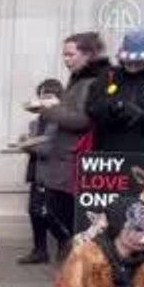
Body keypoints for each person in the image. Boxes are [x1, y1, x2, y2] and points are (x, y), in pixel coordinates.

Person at [25, 32, 112, 264]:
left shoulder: (90, 83)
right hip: (65, 158)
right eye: (64, 54)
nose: (66, 59)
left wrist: (47, 110)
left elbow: (82, 120)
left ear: (87, 54)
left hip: (74, 159)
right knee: (58, 210)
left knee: (68, 214)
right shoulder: (79, 80)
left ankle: (77, 261)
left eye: (70, 54)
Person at [84, 28, 144, 155]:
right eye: (128, 60)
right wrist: (114, 107)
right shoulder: (108, 77)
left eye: (138, 61)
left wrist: (142, 115)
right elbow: (92, 107)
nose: (132, 64)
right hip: (109, 156)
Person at [19, 78, 66, 264]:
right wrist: (26, 141)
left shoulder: (61, 121)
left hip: (53, 172)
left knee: (48, 212)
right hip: (36, 169)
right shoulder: (37, 121)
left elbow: (50, 148)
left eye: (48, 96)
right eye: (41, 96)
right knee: (34, 211)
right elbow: (36, 143)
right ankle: (39, 250)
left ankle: (64, 243)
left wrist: (28, 146)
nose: (42, 100)